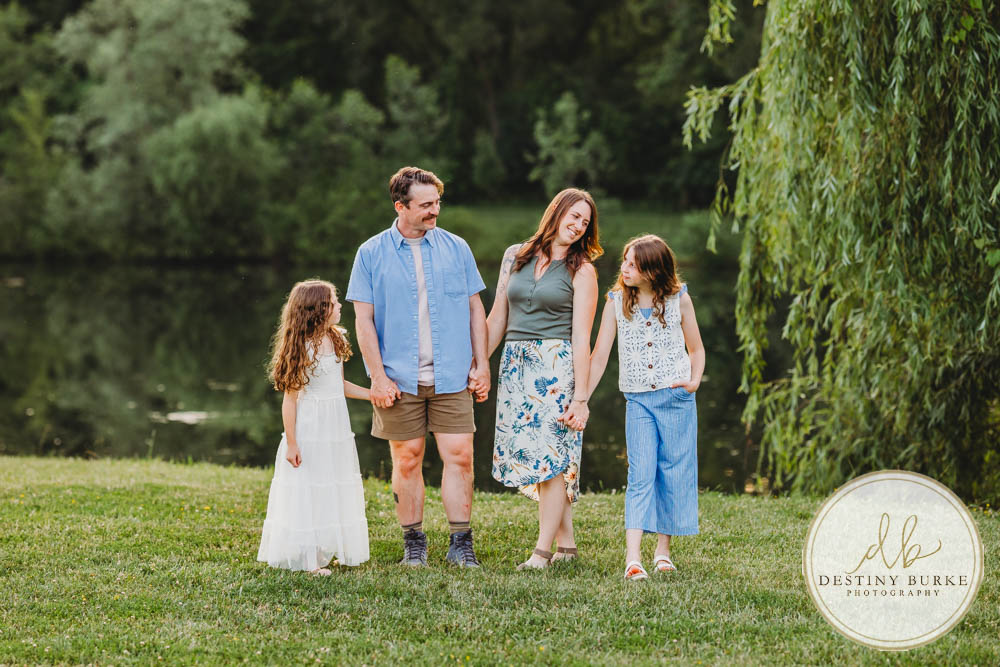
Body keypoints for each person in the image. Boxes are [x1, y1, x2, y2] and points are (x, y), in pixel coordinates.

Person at [347, 166, 489, 568]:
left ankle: (461, 542)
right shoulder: (371, 253)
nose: (435, 211)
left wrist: (482, 364)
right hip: (397, 377)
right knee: (407, 457)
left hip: (452, 374)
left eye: (437, 203)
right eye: (426, 205)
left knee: (460, 454)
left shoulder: (457, 247)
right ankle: (414, 543)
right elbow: (363, 321)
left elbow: (475, 309)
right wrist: (377, 376)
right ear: (401, 206)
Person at [486, 188, 601, 569]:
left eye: (585, 222)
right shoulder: (515, 256)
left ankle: (543, 552)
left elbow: (582, 337)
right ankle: (567, 545)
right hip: (516, 364)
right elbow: (497, 317)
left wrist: (580, 397)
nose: (578, 226)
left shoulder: (582, 271)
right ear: (557, 212)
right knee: (538, 456)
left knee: (552, 459)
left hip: (556, 368)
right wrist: (478, 364)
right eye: (574, 216)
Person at [586, 235, 705, 580]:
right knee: (640, 475)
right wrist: (582, 400)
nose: (624, 268)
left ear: (653, 271)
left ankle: (663, 552)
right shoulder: (615, 303)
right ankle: (633, 557)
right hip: (638, 400)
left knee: (674, 472)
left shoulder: (679, 299)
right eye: (624, 261)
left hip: (677, 398)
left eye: (632, 264)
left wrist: (694, 381)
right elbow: (599, 358)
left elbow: (696, 349)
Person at [258, 279, 372, 574]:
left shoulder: (335, 338)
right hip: (310, 427)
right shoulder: (301, 347)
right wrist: (292, 442)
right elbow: (290, 400)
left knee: (330, 484)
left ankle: (321, 550)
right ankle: (309, 562)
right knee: (310, 486)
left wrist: (372, 395)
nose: (339, 306)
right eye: (333, 302)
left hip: (336, 427)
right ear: (318, 310)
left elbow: (340, 384)